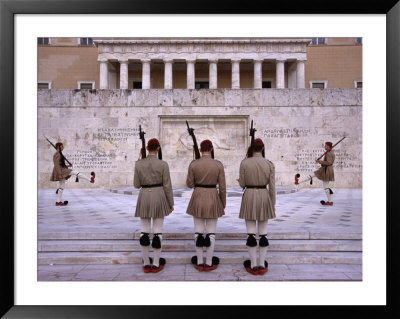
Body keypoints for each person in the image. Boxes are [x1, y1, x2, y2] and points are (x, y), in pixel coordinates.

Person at [134, 138, 174, 273]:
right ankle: (156, 263)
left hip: (144, 196)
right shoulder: (163, 164)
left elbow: (136, 185)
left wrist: (140, 159)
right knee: (158, 232)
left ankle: (146, 263)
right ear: (158, 148)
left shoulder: (138, 164)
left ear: (146, 148)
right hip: (159, 196)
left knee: (144, 231)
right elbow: (167, 186)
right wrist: (170, 203)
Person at [186, 139, 226, 272]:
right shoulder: (218, 165)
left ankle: (198, 261)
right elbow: (223, 187)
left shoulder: (194, 164)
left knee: (198, 232)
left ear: (201, 149)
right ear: (211, 149)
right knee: (211, 233)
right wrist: (222, 203)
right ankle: (208, 262)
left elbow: (190, 184)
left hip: (197, 197)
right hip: (213, 197)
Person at [237, 138, 275, 276]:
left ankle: (253, 265)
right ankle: (262, 264)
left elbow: (242, 184)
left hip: (250, 195)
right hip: (264, 196)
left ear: (251, 148)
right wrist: (273, 204)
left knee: (251, 233)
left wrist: (241, 182)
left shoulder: (244, 162)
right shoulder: (269, 164)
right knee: (263, 233)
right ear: (263, 148)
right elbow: (272, 187)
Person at [50, 142, 95, 206]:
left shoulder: (59, 153)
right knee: (75, 172)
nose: (63, 147)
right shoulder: (57, 154)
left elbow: (61, 164)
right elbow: (56, 165)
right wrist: (60, 174)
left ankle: (58, 202)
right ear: (59, 147)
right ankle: (90, 179)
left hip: (62, 170)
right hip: (61, 171)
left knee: (61, 186)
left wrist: (68, 166)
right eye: (62, 146)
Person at [296, 141, 335, 206]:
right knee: (313, 175)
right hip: (325, 169)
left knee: (325, 186)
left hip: (326, 170)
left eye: (325, 146)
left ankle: (330, 201)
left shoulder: (329, 153)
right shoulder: (330, 153)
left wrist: (319, 161)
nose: (324, 147)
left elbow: (329, 162)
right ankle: (298, 181)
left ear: (328, 146)